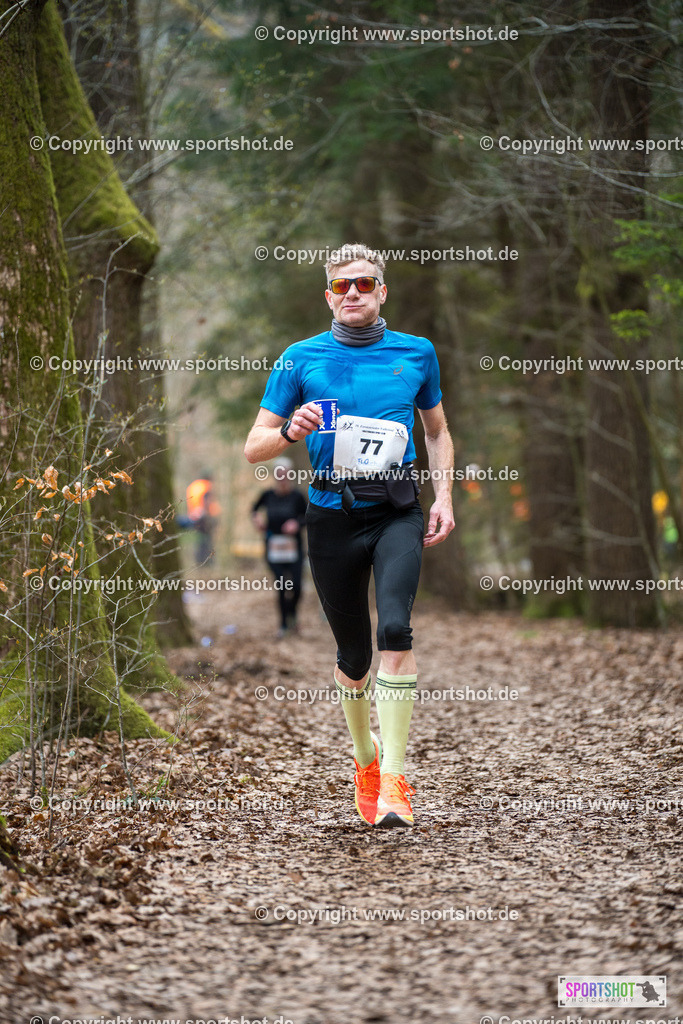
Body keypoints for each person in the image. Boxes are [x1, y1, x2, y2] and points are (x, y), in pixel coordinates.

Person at [244, 243, 454, 828]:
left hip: (396, 511)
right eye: (342, 286)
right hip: (330, 517)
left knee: (394, 627)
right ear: (328, 296)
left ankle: (395, 779)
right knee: (354, 656)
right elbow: (254, 444)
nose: (353, 293)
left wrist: (445, 497)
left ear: (382, 291)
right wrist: (290, 429)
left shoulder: (417, 353)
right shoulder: (298, 358)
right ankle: (365, 758)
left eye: (364, 283)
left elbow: (436, 433)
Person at [251, 456, 308, 637]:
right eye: (279, 474)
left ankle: (293, 615)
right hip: (273, 547)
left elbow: (308, 516)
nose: (282, 477)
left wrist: (296, 524)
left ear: (290, 475)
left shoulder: (298, 496)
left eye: (285, 474)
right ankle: (283, 625)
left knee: (297, 586)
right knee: (282, 585)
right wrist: (257, 520)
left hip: (294, 548)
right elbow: (254, 510)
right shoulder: (267, 495)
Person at [186, 472, 219, 566]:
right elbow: (207, 501)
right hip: (204, 518)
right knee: (206, 541)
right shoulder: (206, 486)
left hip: (194, 516)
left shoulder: (194, 486)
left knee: (200, 541)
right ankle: (207, 563)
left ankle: (200, 562)